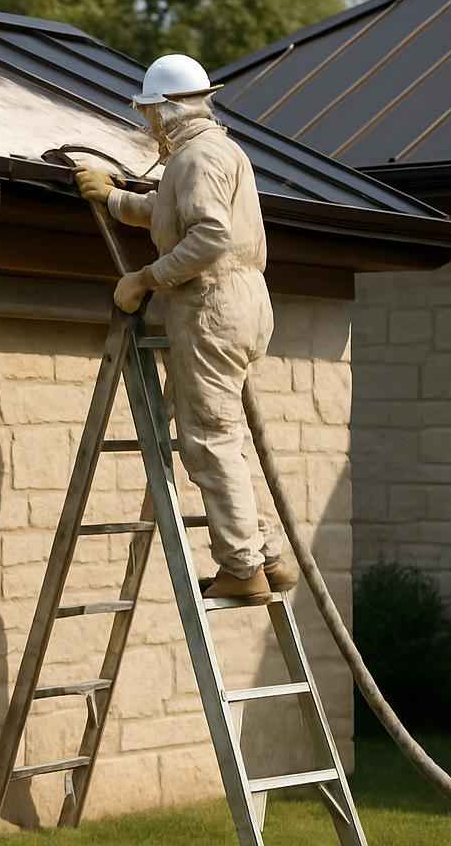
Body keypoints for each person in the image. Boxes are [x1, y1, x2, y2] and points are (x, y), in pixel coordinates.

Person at [74, 53, 298, 603]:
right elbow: (172, 212)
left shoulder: (196, 157)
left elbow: (208, 237)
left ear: (166, 109)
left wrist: (145, 279)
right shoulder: (214, 152)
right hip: (240, 303)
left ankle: (243, 567)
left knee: (208, 440)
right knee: (224, 436)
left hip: (210, 305)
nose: (147, 123)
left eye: (150, 112)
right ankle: (266, 555)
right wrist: (115, 198)